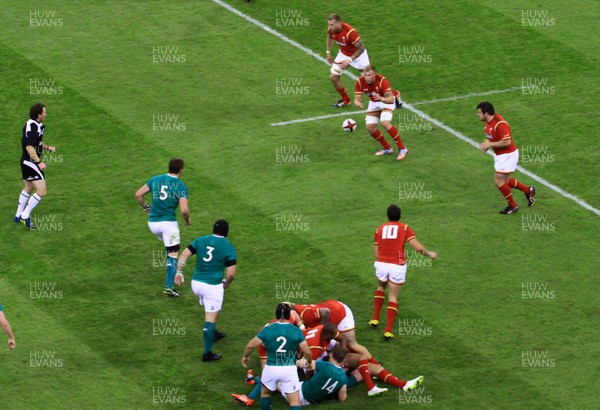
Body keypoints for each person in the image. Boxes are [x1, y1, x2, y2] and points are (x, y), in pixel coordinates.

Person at [370, 204, 437, 340]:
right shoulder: (404, 228)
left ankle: (375, 319)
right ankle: (388, 330)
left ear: (387, 216)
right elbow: (417, 247)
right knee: (393, 296)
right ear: (400, 216)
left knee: (381, 286)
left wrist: (382, 260)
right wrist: (429, 254)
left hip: (381, 263)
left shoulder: (380, 229)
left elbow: (376, 251)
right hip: (397, 265)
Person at [176, 219, 236, 362]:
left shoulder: (201, 240)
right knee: (210, 318)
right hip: (212, 287)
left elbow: (184, 255)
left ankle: (213, 334)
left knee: (211, 310)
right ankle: (207, 353)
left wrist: (179, 272)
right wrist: (226, 283)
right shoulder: (228, 247)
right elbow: (231, 274)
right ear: (226, 232)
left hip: (196, 283)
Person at [135, 158, 190, 297]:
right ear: (181, 170)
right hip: (168, 225)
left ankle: (170, 276)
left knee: (169, 249)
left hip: (152, 224)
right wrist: (187, 221)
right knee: (173, 254)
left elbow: (138, 194)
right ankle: (169, 287)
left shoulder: (155, 179)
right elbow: (184, 210)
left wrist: (146, 207)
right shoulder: (180, 186)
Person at [241, 303, 312, 410]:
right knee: (295, 402)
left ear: (276, 314)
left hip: (271, 368)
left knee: (265, 394)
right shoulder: (296, 331)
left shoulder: (268, 329)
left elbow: (251, 345)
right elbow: (307, 352)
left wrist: (245, 357)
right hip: (289, 369)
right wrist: (308, 360)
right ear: (289, 315)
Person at [233, 345, 348, 407]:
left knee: (272, 378)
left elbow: (306, 364)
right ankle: (253, 379)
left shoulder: (326, 366)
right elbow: (342, 397)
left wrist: (295, 362)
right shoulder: (343, 378)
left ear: (331, 354)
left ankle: (249, 397)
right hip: (309, 401)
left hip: (298, 393)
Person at [477, 101, 536, 214]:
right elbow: (495, 138)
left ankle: (513, 206)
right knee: (505, 181)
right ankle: (528, 190)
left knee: (498, 180)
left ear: (486, 113)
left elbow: (507, 141)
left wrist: (490, 144)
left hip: (508, 155)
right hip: (501, 155)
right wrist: (488, 144)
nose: (478, 115)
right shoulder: (488, 124)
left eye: (479, 112)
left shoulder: (500, 124)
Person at [15, 102, 56, 230]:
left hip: (26, 161)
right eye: (44, 111)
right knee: (42, 191)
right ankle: (25, 216)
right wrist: (39, 162)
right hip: (30, 162)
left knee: (28, 188)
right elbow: (29, 147)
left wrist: (47, 147)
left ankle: (18, 215)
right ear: (39, 114)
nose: (46, 113)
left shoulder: (34, 125)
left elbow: (35, 141)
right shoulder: (33, 127)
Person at [354, 65, 408, 159]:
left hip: (386, 100)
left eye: (369, 75)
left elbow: (391, 100)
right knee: (370, 127)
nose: (367, 77)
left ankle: (402, 148)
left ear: (374, 74)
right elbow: (356, 99)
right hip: (374, 102)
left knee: (385, 122)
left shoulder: (383, 81)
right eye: (365, 75)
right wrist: (358, 103)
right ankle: (387, 148)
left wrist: (381, 98)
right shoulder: (360, 82)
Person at [291, 300, 372, 357]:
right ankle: (356, 362)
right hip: (333, 308)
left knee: (351, 344)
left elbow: (326, 311)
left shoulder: (305, 314)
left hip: (340, 312)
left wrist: (320, 330)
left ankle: (374, 364)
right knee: (338, 345)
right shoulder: (297, 313)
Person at [326, 13, 371, 108]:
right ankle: (346, 100)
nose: (330, 27)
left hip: (359, 56)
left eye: (332, 25)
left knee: (369, 80)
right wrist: (328, 52)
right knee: (333, 77)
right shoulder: (331, 30)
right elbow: (330, 37)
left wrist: (349, 60)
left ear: (339, 23)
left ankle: (393, 97)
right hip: (343, 54)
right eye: (329, 24)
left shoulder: (350, 32)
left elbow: (361, 48)